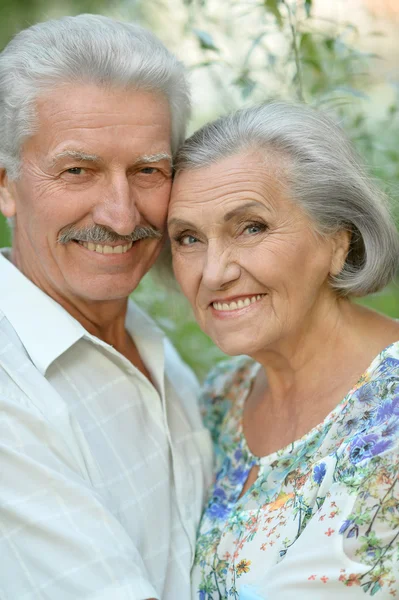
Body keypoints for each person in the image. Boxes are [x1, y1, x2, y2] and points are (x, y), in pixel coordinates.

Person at [0, 14, 213, 600]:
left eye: (148, 171)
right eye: (78, 170)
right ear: (4, 183)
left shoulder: (155, 349)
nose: (121, 216)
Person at [167, 102, 399, 599]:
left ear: (338, 238)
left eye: (251, 227)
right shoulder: (218, 402)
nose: (213, 272)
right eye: (188, 238)